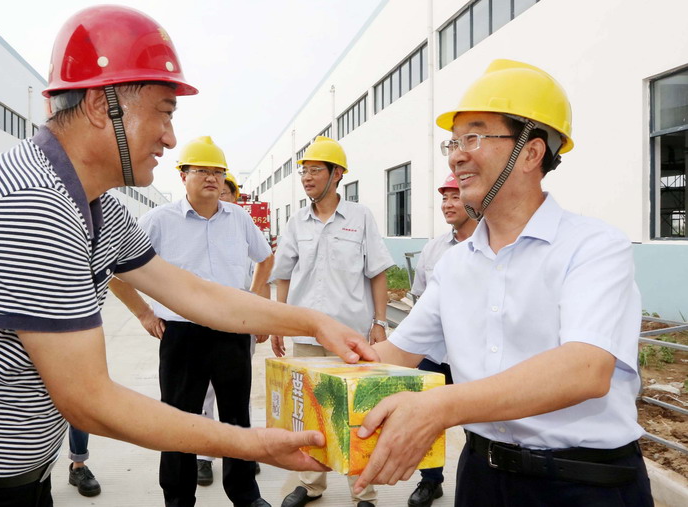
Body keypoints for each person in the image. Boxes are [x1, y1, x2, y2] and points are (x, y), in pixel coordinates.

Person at [0, 7, 376, 506]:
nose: (170, 138)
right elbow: (89, 401)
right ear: (102, 105)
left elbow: (191, 292)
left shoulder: (92, 202)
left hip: (9, 479)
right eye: (163, 113)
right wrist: (254, 443)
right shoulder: (29, 205)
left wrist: (312, 322)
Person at [355, 59, 653, 507]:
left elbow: (585, 369)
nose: (456, 155)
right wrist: (330, 363)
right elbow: (396, 355)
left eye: (473, 137)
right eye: (454, 141)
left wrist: (440, 407)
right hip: (482, 479)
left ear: (530, 153)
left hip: (584, 484)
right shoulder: (455, 266)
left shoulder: (593, 246)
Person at [109, 136, 274, 506]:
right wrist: (144, 313)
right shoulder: (159, 220)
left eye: (217, 171)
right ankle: (178, 498)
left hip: (232, 331)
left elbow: (265, 258)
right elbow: (116, 270)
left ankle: (245, 494)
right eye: (201, 170)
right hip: (182, 336)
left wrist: (253, 300)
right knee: (177, 423)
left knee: (236, 417)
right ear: (183, 175)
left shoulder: (238, 218)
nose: (211, 178)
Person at [270, 136, 394, 507]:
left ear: (337, 174)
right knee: (310, 413)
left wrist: (380, 322)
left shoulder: (360, 217)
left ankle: (363, 491)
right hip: (307, 335)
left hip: (350, 337)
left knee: (357, 412)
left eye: (315, 170)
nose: (306, 178)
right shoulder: (297, 222)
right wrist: (278, 322)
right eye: (303, 171)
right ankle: (310, 484)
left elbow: (377, 272)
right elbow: (284, 275)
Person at [405, 173, 476, 507]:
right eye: (444, 198)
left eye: (455, 196)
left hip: (474, 357)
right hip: (434, 354)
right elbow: (419, 299)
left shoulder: (495, 245)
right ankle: (430, 481)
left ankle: (477, 483)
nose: (448, 204)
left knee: (478, 423)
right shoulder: (433, 249)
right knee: (427, 419)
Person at [195, 169, 262, 486]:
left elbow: (264, 267)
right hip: (201, 325)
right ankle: (205, 456)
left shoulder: (243, 229)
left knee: (239, 391)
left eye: (226, 192)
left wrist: (258, 310)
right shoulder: (200, 232)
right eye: (218, 192)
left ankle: (242, 450)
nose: (221, 197)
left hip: (239, 325)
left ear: (235, 197)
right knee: (204, 393)